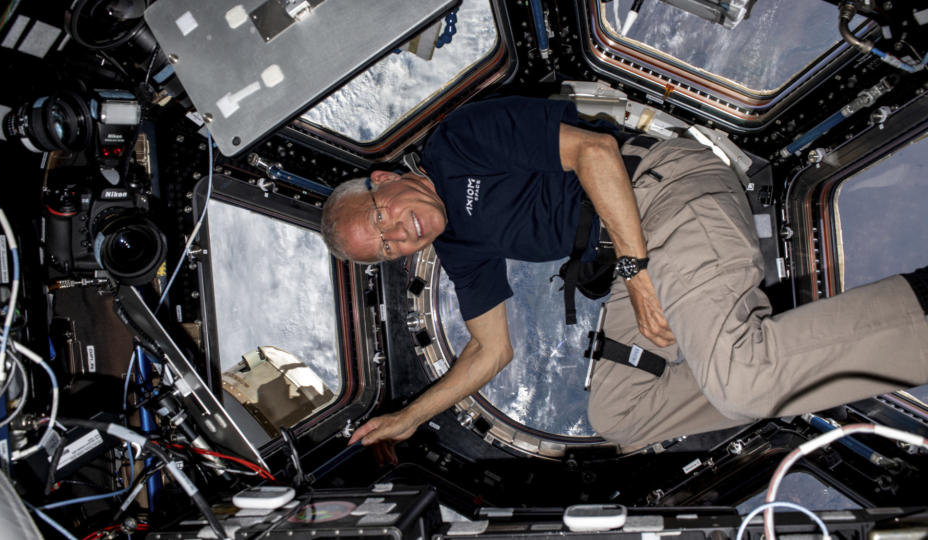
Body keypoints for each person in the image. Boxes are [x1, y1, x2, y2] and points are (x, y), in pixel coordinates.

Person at [320, 96, 928, 452]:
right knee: (620, 417)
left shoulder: (458, 144)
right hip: (637, 256)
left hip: (662, 190)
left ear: (384, 181)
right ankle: (757, 351)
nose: (399, 238)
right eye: (385, 250)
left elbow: (596, 153)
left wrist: (637, 275)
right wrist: (411, 417)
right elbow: (491, 349)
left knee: (741, 383)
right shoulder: (459, 245)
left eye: (382, 220)